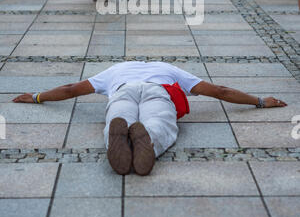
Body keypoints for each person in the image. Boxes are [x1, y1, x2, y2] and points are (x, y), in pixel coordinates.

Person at [13, 60, 287, 176]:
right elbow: (220, 91)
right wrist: (260, 101)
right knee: (160, 123)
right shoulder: (167, 68)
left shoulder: (116, 69)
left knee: (118, 114)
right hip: (157, 92)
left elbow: (70, 89)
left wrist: (37, 96)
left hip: (123, 90)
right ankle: (150, 142)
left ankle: (116, 137)